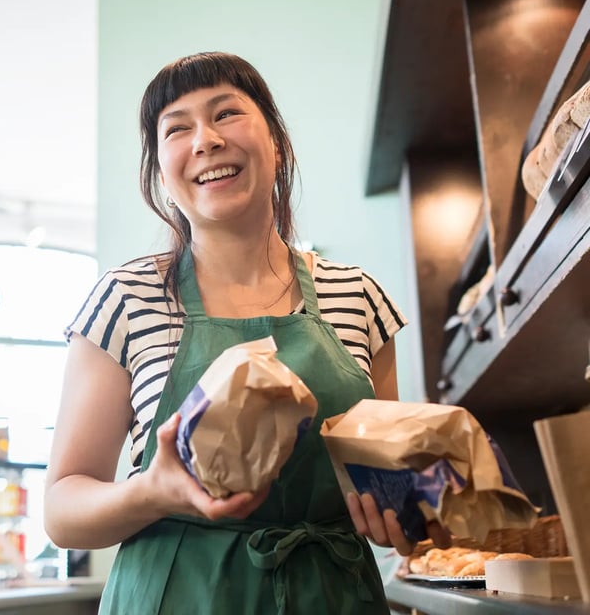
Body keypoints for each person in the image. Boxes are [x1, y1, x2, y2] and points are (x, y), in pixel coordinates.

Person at [44, 52, 449, 614]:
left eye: (226, 114)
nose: (205, 140)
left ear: (277, 144)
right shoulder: (127, 299)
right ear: (162, 172)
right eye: (177, 128)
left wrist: (405, 517)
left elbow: (391, 479)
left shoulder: (358, 297)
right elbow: (62, 511)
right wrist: (151, 492)